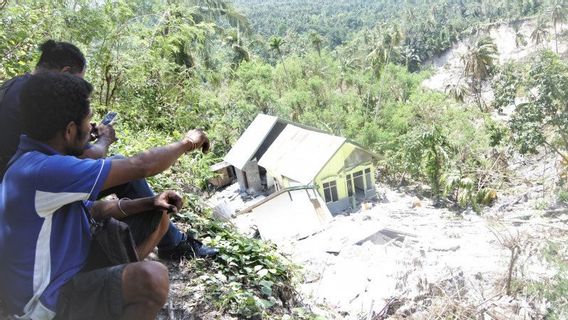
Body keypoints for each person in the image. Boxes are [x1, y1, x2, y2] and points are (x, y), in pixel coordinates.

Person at [0, 72, 211, 319]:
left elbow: (92, 210)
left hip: (68, 267)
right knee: (152, 279)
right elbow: (141, 165)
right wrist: (188, 142)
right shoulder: (43, 170)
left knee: (159, 216)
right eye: (87, 121)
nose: (91, 127)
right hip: (45, 305)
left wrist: (147, 202)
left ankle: (116, 296)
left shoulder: (39, 161)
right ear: (69, 131)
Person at [0, 39, 217, 260]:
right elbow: (137, 165)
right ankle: (171, 245)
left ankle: (167, 239)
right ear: (65, 73)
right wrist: (187, 142)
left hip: (22, 192)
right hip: (39, 195)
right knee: (124, 170)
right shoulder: (37, 110)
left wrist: (80, 133)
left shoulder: (20, 90)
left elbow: (60, 149)